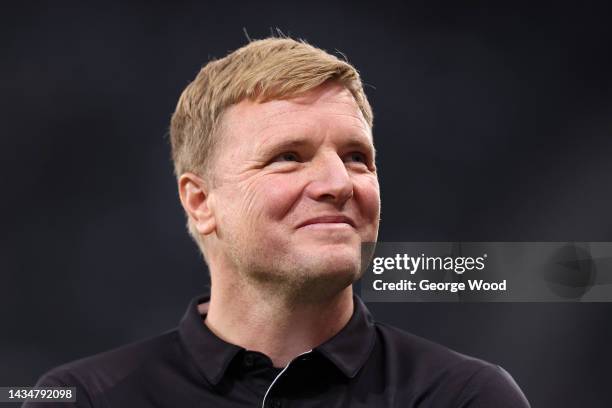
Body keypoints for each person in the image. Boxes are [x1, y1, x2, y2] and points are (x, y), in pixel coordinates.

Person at [26, 36, 530, 407]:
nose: (339, 182)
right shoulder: (80, 398)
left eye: (357, 157)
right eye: (288, 156)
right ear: (201, 202)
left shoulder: (465, 397)